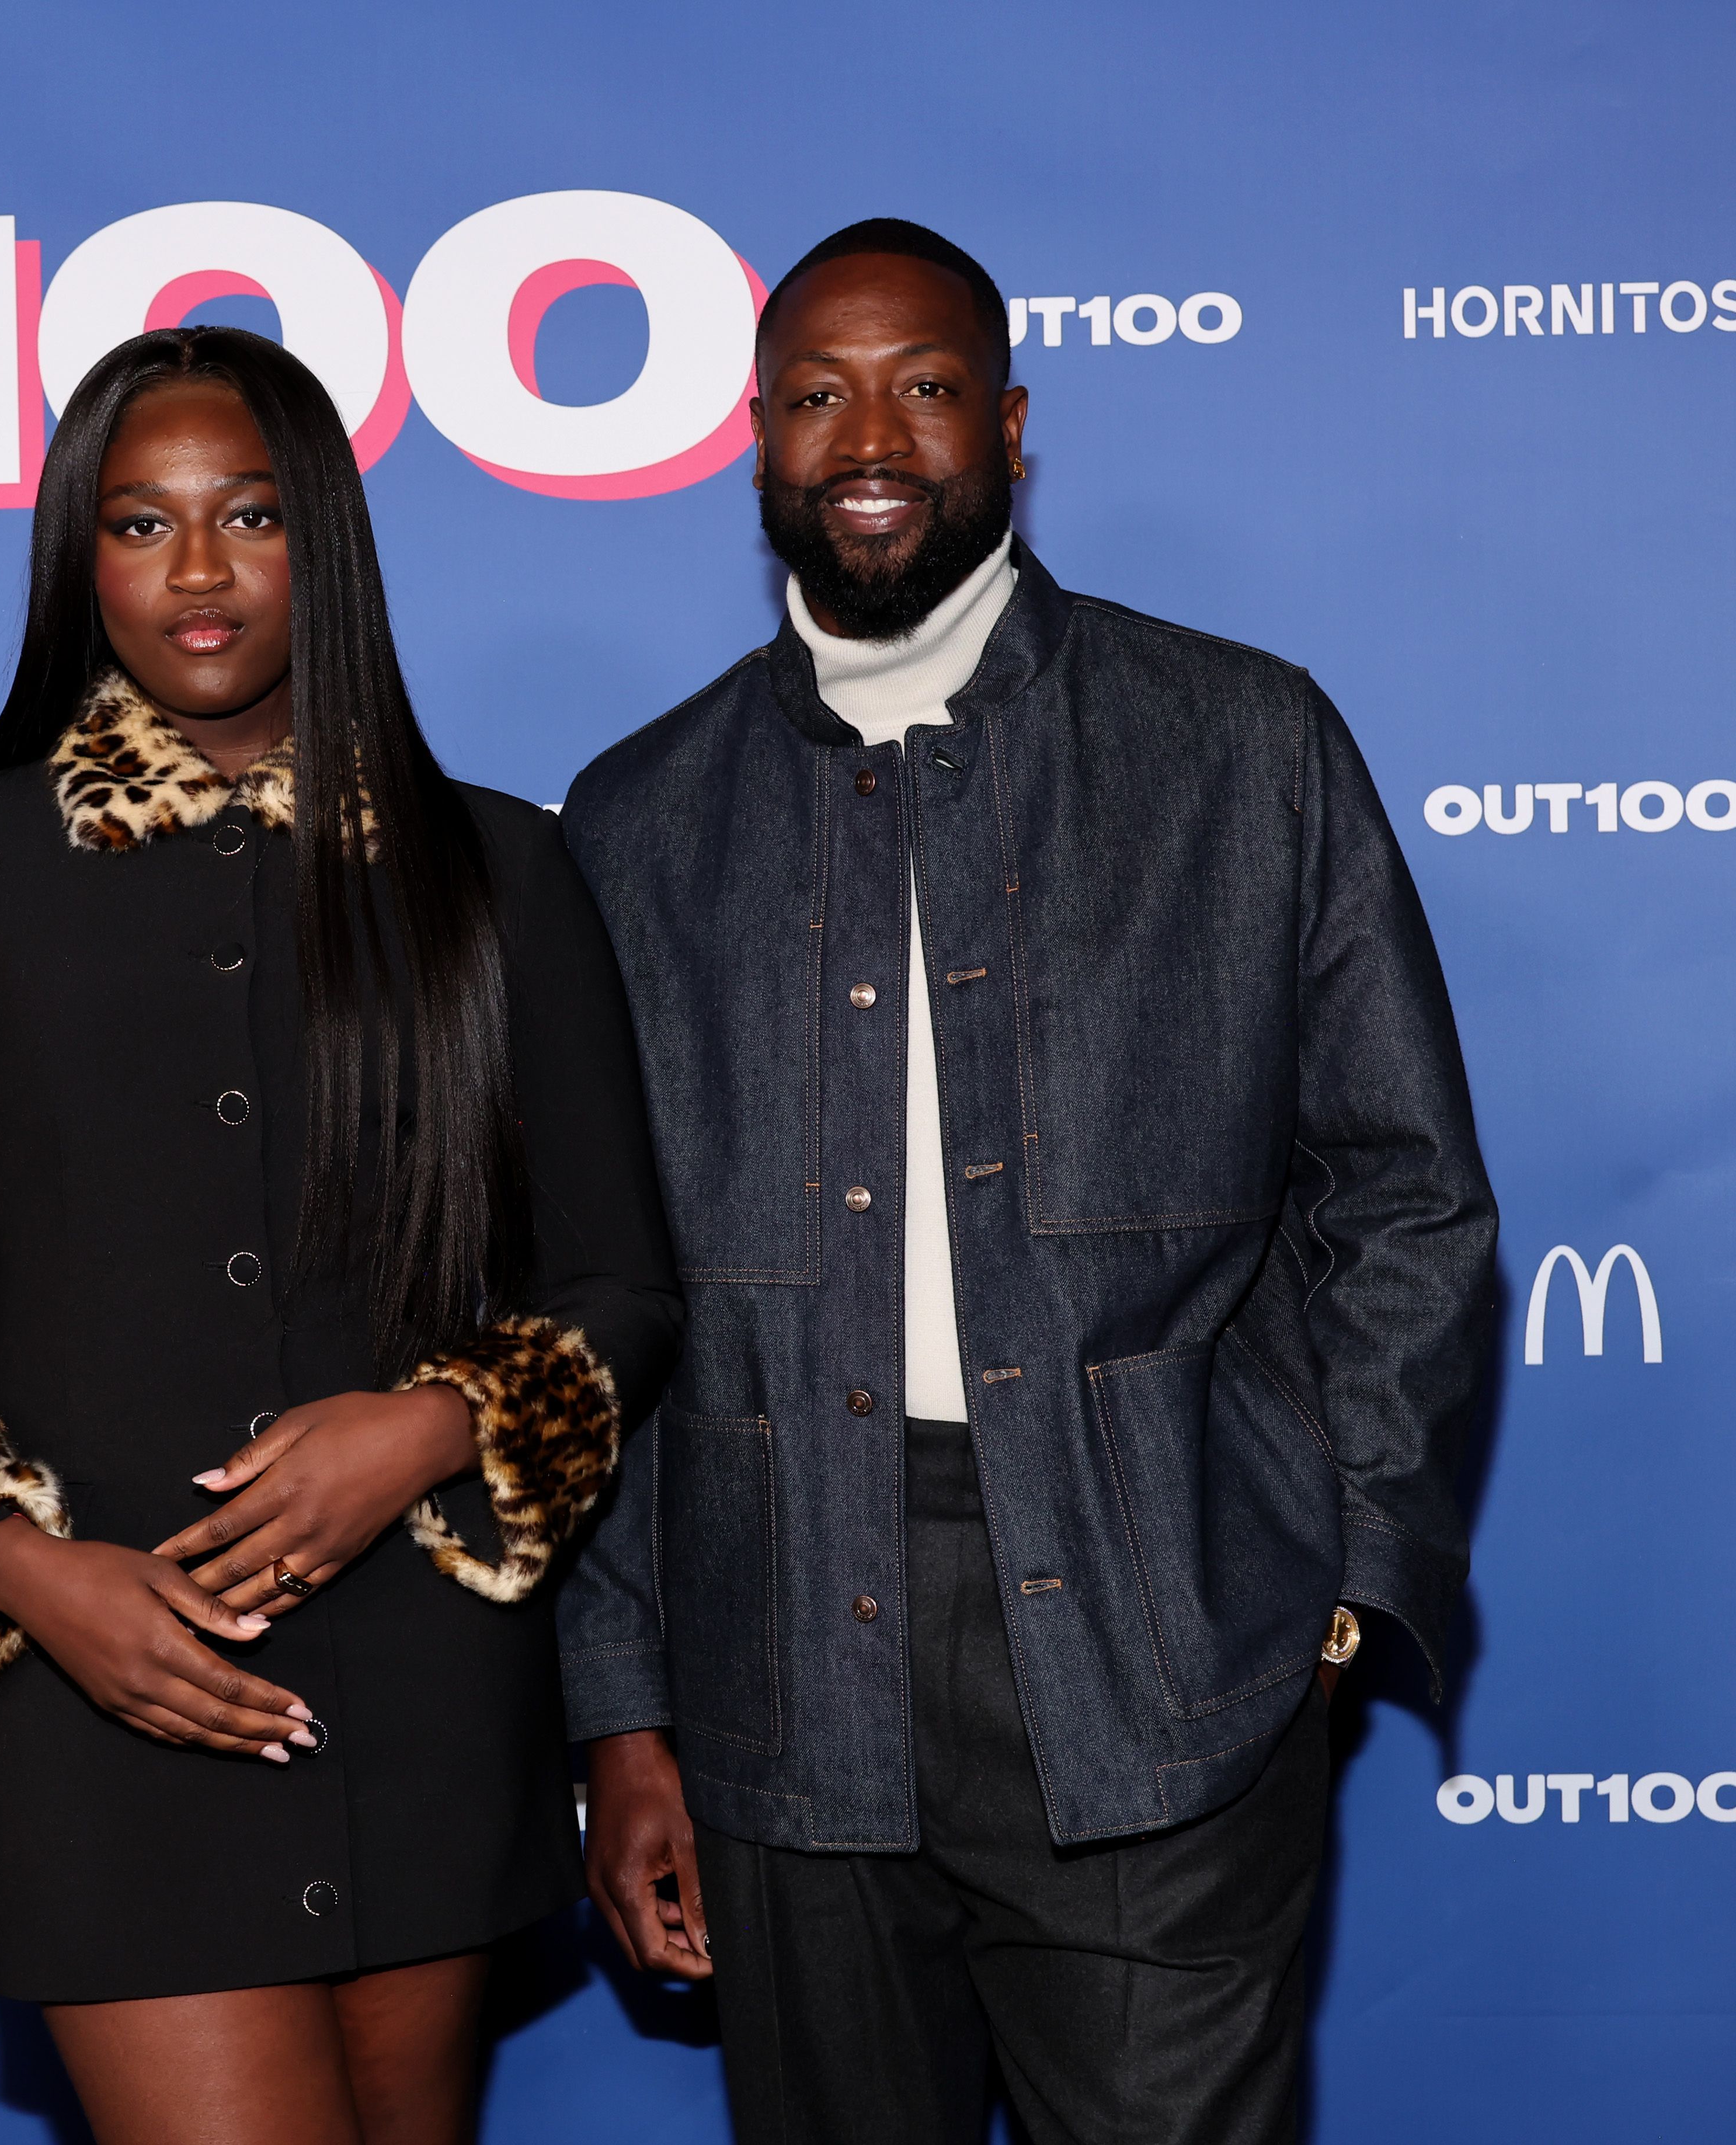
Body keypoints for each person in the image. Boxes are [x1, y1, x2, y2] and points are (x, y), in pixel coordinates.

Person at [561, 220, 1498, 2143]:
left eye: (920, 384)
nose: (870, 435)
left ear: (1007, 419)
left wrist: (1340, 1585)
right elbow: (597, 1302)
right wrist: (619, 1705)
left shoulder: (1244, 747)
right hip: (779, 1661)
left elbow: (1406, 1198)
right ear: (759, 442)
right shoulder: (637, 822)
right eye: (818, 394)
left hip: (1161, 1637)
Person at [0, 325, 680, 2145]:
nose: (196, 571)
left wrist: (431, 1424)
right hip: (108, 1695)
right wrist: (39, 1579)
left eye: (249, 516)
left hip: (428, 1674)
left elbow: (626, 1286)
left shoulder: (498, 868)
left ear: (322, 543)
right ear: (78, 557)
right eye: (140, 524)